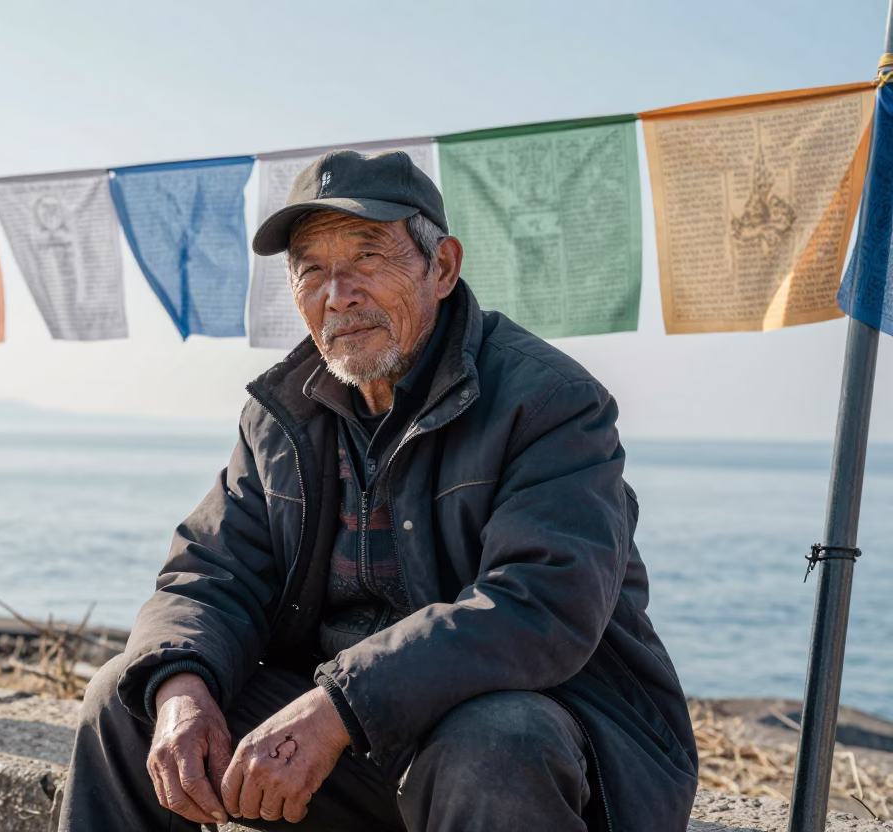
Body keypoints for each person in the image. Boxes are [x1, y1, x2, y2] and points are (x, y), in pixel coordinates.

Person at [59, 150, 698, 831]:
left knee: (492, 741)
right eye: (312, 270)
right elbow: (210, 574)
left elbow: (542, 604)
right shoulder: (281, 416)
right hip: (355, 744)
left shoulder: (550, 402)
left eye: (368, 258)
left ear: (442, 267)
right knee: (126, 705)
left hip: (554, 746)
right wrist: (181, 687)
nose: (339, 293)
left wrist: (340, 704)